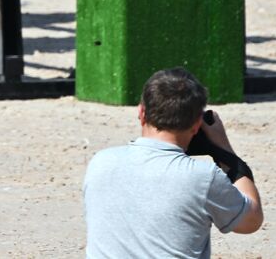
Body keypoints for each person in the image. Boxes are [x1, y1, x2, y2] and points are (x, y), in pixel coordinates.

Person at [82, 68, 264, 258]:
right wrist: (224, 150)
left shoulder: (100, 162)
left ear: (142, 113)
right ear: (196, 125)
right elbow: (251, 220)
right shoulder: (203, 177)